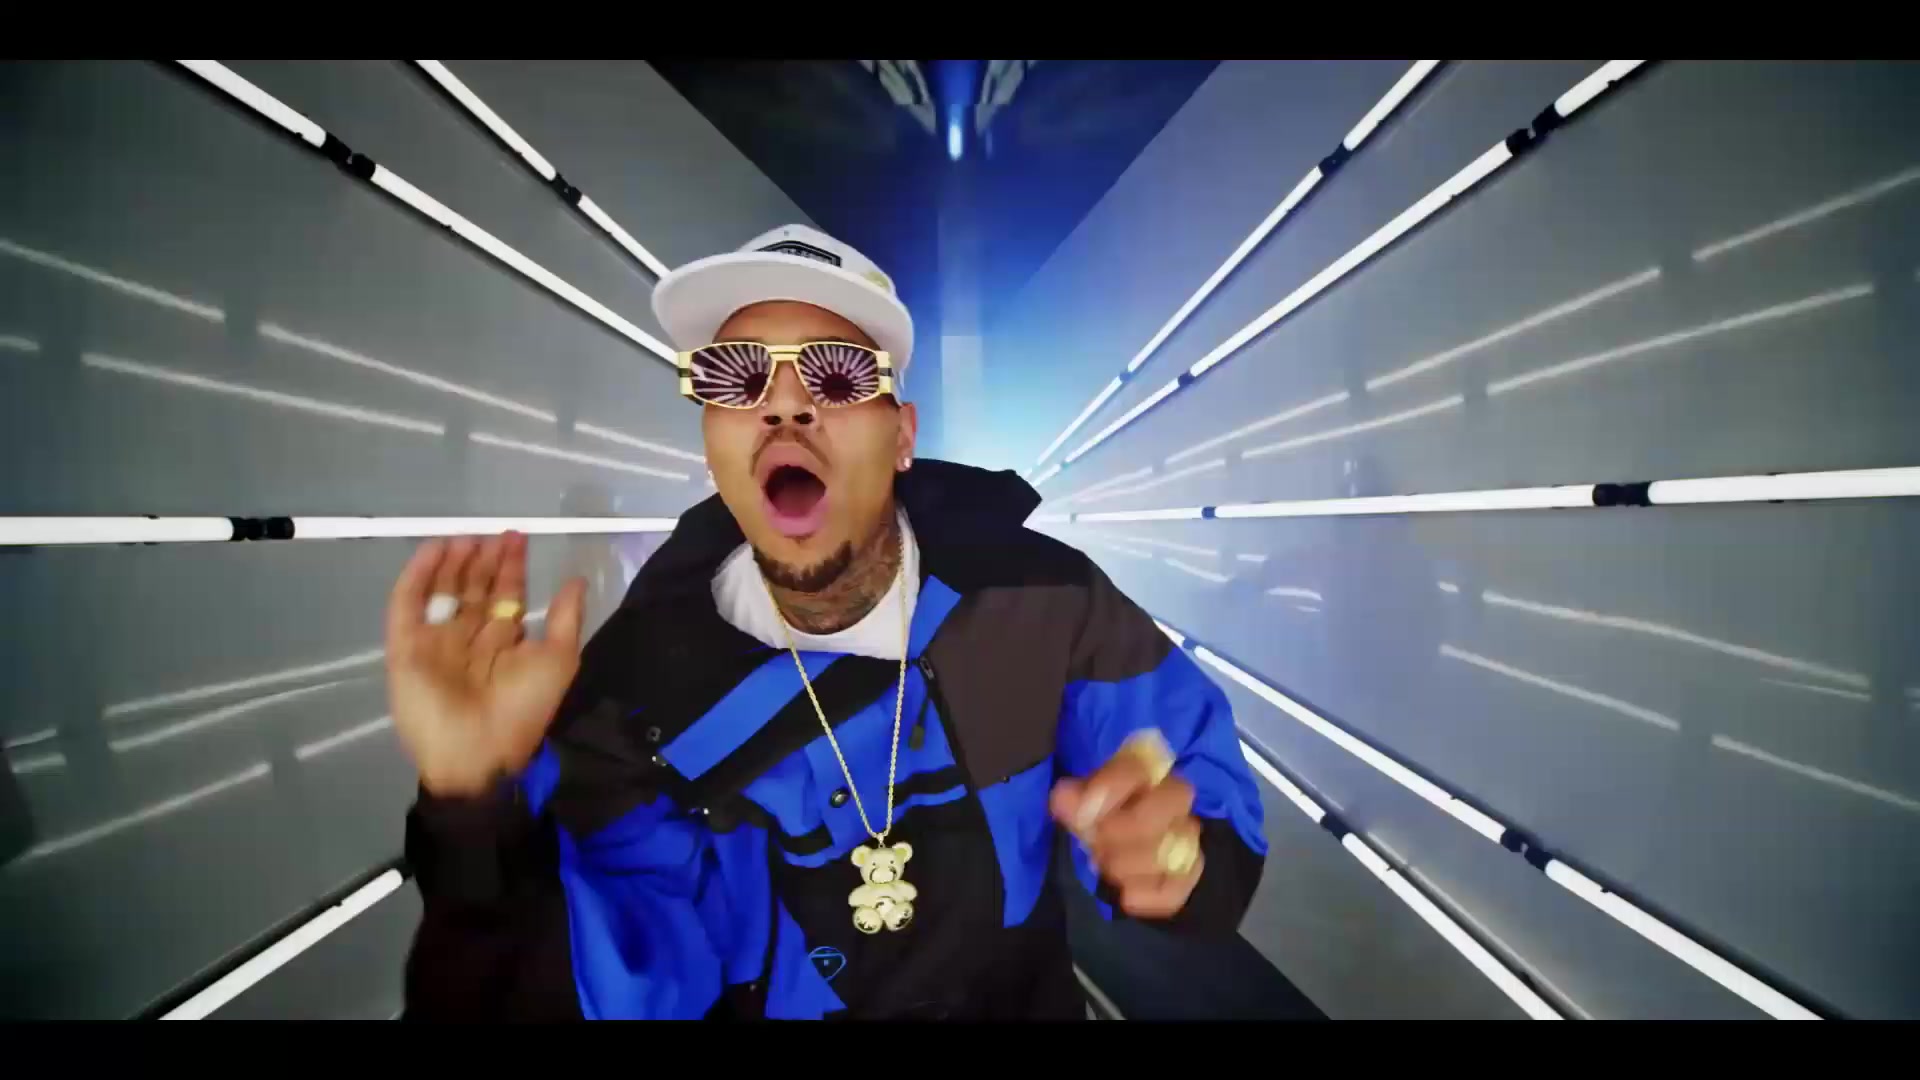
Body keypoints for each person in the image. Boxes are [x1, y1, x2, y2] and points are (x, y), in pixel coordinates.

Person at [388, 225, 1268, 1020]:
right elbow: (610, 984)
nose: (785, 406)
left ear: (903, 436)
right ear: (710, 443)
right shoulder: (636, 698)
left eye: (839, 374)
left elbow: (1193, 784)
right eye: (736, 375)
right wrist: (470, 811)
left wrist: (1181, 855)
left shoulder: (1042, 599)